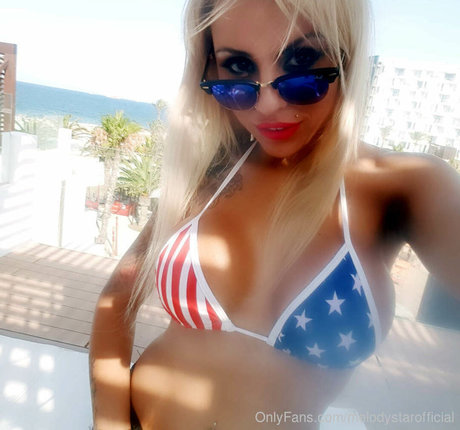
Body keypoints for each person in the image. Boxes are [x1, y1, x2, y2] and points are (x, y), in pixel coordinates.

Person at [89, 0, 460, 428]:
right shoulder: (213, 170)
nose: (266, 104)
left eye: (301, 60)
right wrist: (110, 423)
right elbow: (117, 300)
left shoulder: (406, 186)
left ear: (348, 55)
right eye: (238, 67)